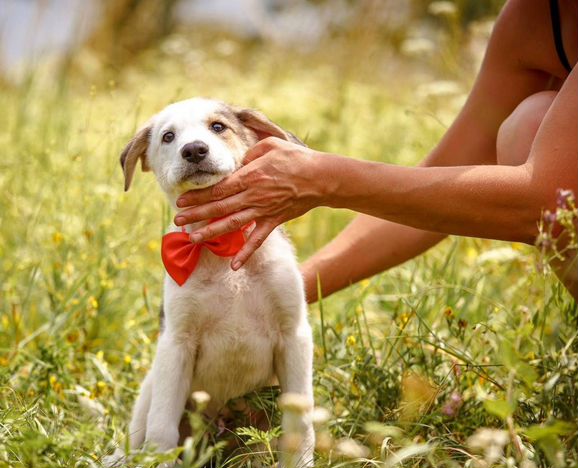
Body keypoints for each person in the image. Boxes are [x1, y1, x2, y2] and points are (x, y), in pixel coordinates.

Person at [173, 0, 578, 303]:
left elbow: (549, 206)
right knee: (529, 124)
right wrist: (277, 296)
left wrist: (323, 177)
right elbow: (449, 174)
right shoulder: (532, 17)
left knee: (531, 131)